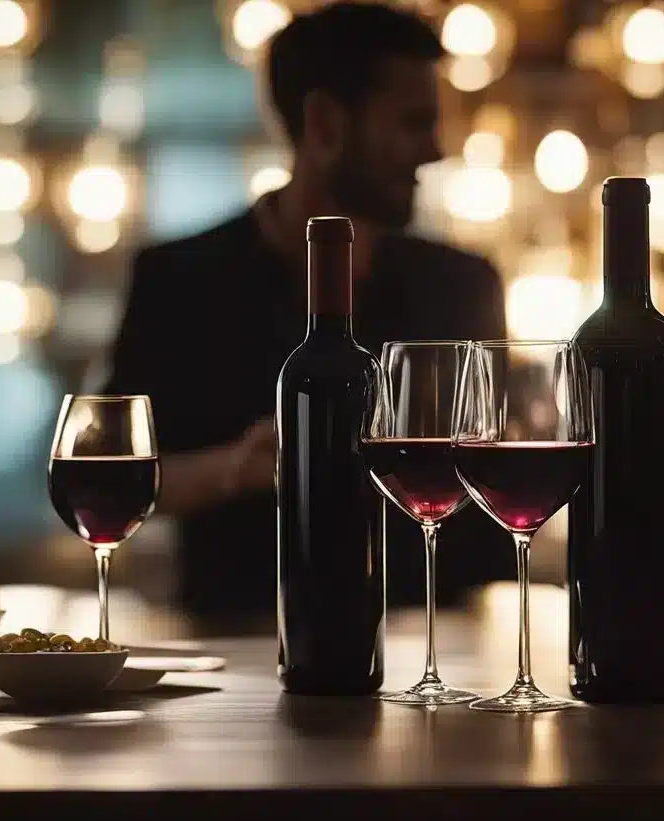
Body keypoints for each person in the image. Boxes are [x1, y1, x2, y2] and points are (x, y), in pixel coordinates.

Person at [103, 1, 509, 626]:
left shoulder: (462, 284)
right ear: (323, 124)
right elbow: (118, 474)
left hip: (437, 648)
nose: (434, 150)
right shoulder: (179, 279)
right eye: (413, 122)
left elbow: (503, 479)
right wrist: (236, 468)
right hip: (235, 649)